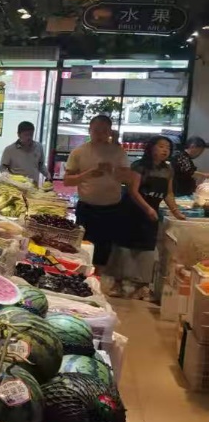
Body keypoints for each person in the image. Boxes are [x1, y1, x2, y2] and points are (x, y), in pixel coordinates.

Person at [63, 115, 146, 276]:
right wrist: (87, 175)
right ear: (89, 130)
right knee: (81, 246)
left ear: (110, 132)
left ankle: (97, 278)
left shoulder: (118, 152)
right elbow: (67, 181)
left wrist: (113, 171)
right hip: (87, 208)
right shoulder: (79, 152)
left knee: (104, 250)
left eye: (104, 131)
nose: (100, 134)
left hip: (111, 209)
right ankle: (81, 276)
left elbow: (129, 179)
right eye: (96, 130)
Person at [110, 136, 186, 300]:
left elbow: (168, 193)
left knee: (147, 249)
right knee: (125, 247)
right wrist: (147, 208)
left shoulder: (168, 169)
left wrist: (176, 211)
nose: (165, 150)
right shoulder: (139, 166)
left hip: (151, 214)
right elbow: (133, 191)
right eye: (161, 146)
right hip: (132, 211)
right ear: (151, 148)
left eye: (168, 147)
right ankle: (118, 284)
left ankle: (141, 287)